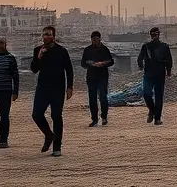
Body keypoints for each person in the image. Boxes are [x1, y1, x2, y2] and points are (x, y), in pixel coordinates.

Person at [30, 26, 74, 156]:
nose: (46, 37)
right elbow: (34, 69)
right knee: (36, 114)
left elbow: (69, 69)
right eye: (44, 35)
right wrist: (38, 57)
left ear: (54, 36)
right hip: (42, 88)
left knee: (56, 116)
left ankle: (57, 147)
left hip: (57, 88)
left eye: (48, 34)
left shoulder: (61, 51)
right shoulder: (38, 50)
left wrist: (70, 87)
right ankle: (49, 135)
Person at [137, 26, 174, 125]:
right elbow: (140, 58)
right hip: (148, 73)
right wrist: (140, 65)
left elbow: (169, 59)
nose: (154, 37)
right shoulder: (146, 47)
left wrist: (168, 70)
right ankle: (152, 110)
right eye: (153, 35)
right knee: (146, 93)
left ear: (159, 35)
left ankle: (157, 118)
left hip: (160, 73)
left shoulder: (164, 46)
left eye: (156, 35)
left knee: (159, 96)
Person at [81, 31, 115, 127]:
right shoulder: (87, 50)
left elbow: (111, 61)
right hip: (91, 77)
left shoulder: (105, 49)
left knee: (103, 97)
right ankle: (94, 119)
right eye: (93, 40)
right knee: (92, 99)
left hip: (102, 76)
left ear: (99, 39)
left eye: (96, 39)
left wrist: (102, 63)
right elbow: (83, 63)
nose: (94, 41)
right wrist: (90, 63)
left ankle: (104, 117)